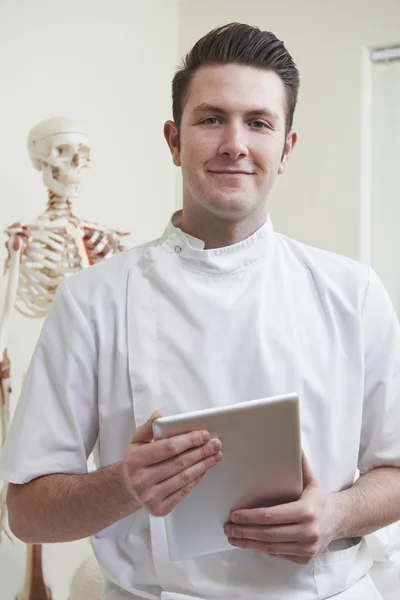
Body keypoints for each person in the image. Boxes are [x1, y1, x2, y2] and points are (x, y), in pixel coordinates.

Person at [1, 22, 400, 600]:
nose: (235, 143)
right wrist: (124, 485)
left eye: (259, 123)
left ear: (286, 149)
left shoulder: (353, 292)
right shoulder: (93, 299)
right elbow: (28, 514)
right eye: (212, 118)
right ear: (173, 139)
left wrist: (336, 515)